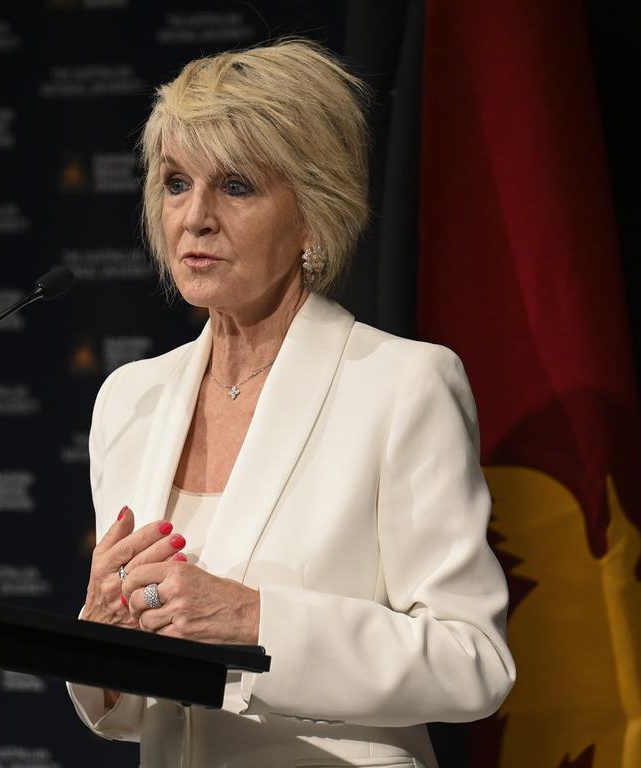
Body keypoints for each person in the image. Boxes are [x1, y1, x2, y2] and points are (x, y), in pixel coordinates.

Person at [67, 38, 515, 768]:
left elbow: (474, 662)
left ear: (312, 213)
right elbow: (135, 710)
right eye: (177, 183)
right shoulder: (130, 400)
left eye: (236, 185)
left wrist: (254, 619)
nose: (196, 217)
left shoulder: (402, 386)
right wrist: (98, 640)